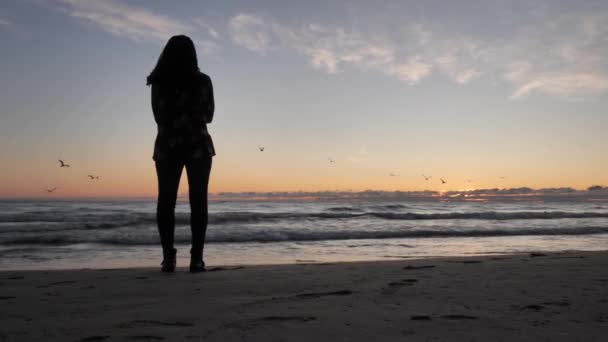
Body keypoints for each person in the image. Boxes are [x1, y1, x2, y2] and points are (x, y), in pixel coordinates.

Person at [146, 35, 215, 273]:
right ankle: (196, 258)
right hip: (198, 146)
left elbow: (158, 116)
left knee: (166, 202)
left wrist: (177, 116)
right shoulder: (203, 81)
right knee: (199, 202)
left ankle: (168, 258)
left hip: (168, 146)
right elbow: (210, 116)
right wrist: (191, 114)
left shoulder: (159, 81)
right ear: (193, 55)